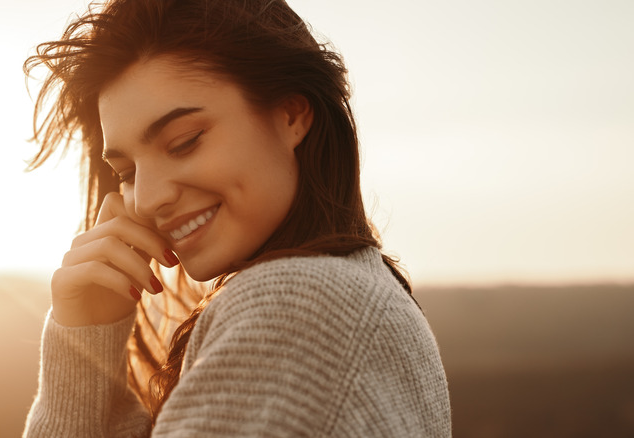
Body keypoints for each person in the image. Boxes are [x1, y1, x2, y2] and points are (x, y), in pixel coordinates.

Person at [22, 0, 451, 436]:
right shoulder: (358, 294)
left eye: (184, 142)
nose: (147, 200)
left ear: (290, 114)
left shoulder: (296, 307)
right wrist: (86, 340)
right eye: (127, 173)